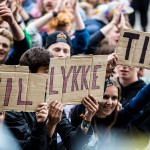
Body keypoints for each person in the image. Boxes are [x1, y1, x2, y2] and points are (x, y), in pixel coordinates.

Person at [5, 47, 98, 150]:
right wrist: (49, 125)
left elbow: (73, 144)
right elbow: (30, 147)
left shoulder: (51, 100)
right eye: (46, 72)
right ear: (29, 74)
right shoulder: (11, 108)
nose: (51, 78)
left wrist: (87, 119)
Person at [71, 80, 150, 150]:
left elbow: (140, 101)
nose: (109, 102)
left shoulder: (119, 119)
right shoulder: (82, 115)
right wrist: (105, 77)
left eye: (114, 98)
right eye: (105, 97)